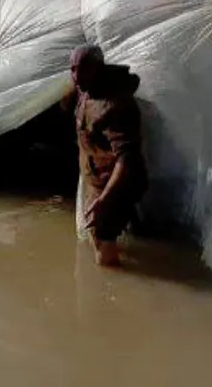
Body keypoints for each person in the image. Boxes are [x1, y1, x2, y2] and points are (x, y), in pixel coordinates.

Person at [62, 45, 148, 267]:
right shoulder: (85, 89)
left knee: (103, 246)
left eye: (84, 69)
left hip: (117, 182)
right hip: (96, 177)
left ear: (98, 69)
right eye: (73, 69)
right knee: (96, 230)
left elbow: (126, 158)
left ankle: (113, 289)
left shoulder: (116, 105)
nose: (77, 76)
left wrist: (104, 200)